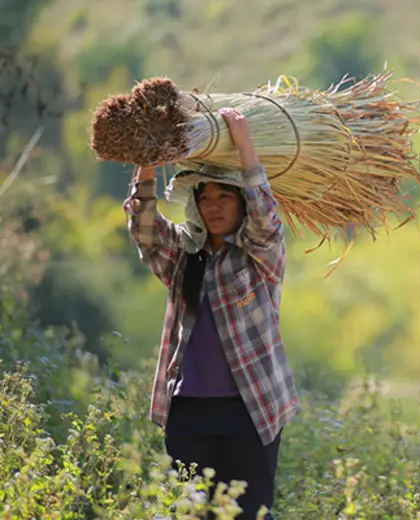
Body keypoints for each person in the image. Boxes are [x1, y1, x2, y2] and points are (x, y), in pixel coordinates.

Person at [122, 107, 300, 520]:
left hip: (249, 409)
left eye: (224, 197)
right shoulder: (184, 257)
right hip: (187, 412)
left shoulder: (259, 258)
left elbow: (267, 220)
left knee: (249, 514)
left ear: (241, 203)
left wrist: (245, 147)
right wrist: (147, 161)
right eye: (205, 198)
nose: (214, 206)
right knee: (194, 514)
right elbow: (145, 229)